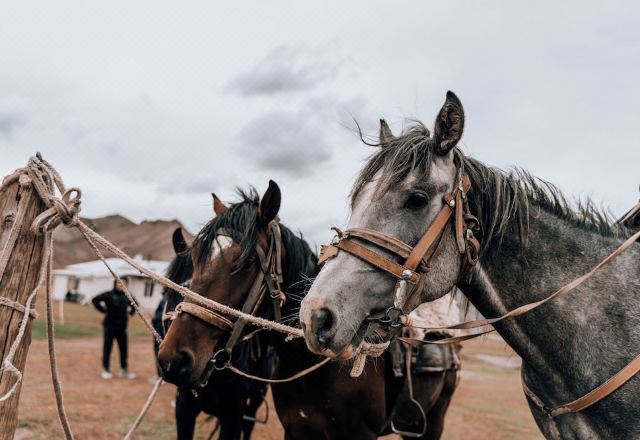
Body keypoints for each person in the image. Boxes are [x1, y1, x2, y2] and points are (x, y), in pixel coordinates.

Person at [92, 279, 136, 380]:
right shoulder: (109, 294)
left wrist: (131, 313)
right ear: (115, 284)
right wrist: (104, 310)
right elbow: (94, 300)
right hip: (109, 326)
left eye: (124, 283)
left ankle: (124, 370)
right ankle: (106, 370)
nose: (121, 285)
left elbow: (135, 304)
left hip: (122, 327)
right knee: (107, 348)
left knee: (124, 349)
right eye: (119, 283)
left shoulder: (128, 296)